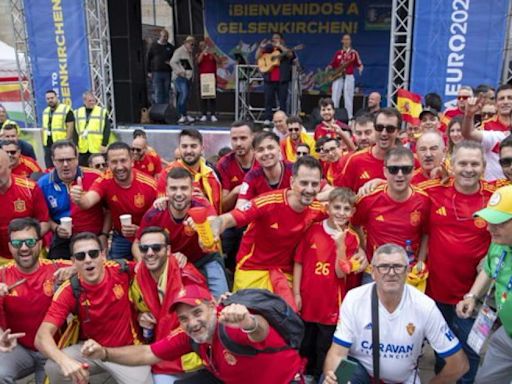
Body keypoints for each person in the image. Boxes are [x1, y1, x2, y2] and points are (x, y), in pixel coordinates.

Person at [80, 284, 305, 384]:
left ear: (212, 305)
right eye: (184, 318)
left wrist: (247, 321)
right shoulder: (190, 333)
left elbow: (260, 331)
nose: (192, 322)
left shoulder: (229, 323)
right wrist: (105, 353)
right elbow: (148, 353)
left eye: (197, 312)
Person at [323, 243, 469, 384]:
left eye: (398, 267)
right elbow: (337, 353)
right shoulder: (354, 299)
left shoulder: (425, 306)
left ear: (407, 272)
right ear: (372, 272)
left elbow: (459, 364)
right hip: (361, 374)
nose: (391, 273)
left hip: (402, 380)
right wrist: (336, 380)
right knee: (332, 379)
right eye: (383, 267)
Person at [419, 140, 495, 383]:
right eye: (462, 163)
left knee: (471, 351)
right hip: (437, 291)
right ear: (452, 164)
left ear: (483, 167)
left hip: (475, 295)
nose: (468, 169)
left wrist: (474, 295)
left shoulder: (495, 197)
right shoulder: (433, 190)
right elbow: (398, 185)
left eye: (475, 164)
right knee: (443, 349)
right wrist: (373, 182)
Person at [35, 232, 153, 384]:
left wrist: (177, 259)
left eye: (93, 253)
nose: (88, 260)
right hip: (90, 350)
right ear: (73, 261)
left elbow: (150, 268)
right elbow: (41, 336)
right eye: (80, 256)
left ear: (103, 255)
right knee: (54, 367)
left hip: (127, 351)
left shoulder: (121, 269)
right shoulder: (69, 289)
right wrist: (64, 361)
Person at [209, 156, 326, 306]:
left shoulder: (317, 209)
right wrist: (216, 225)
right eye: (304, 183)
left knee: (287, 324)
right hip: (252, 270)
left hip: (285, 276)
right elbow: (232, 217)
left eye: (314, 184)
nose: (309, 189)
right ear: (292, 182)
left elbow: (343, 210)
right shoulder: (267, 202)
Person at [293, 187, 364, 381]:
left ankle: (321, 377)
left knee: (324, 346)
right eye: (337, 207)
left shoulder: (352, 239)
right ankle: (303, 375)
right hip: (308, 300)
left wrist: (340, 245)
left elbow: (341, 272)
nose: (341, 213)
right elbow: (298, 262)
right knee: (305, 343)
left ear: (352, 212)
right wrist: (296, 293)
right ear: (328, 208)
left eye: (346, 209)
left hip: (331, 305)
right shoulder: (313, 230)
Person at [135, 168, 229, 297]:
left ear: (192, 191)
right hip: (169, 262)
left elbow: (214, 229)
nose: (179, 193)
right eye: (173, 189)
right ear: (166, 191)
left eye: (184, 188)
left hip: (205, 259)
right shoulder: (154, 214)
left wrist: (202, 228)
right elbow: (137, 243)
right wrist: (144, 264)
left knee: (221, 298)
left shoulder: (202, 206)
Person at [0, 218, 72, 384]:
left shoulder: (56, 268)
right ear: (10, 247)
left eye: (30, 242)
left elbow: (97, 265)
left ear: (40, 244)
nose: (24, 248)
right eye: (17, 243)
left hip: (53, 349)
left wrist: (75, 268)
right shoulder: (2, 275)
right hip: (17, 348)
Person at [130, 226, 205, 383]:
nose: (150, 253)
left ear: (168, 249)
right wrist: (141, 317)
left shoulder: (187, 275)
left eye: (156, 248)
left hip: (194, 356)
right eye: (144, 248)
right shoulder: (138, 276)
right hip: (161, 357)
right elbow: (137, 308)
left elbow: (204, 319)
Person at [456, 185, 512, 383]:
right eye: (489, 221)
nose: (489, 228)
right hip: (506, 334)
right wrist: (472, 296)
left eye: (498, 223)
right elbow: (489, 269)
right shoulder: (499, 244)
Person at [352, 147, 429, 283]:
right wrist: (362, 250)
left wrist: (421, 261)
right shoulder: (368, 198)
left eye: (405, 169)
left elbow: (426, 233)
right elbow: (354, 225)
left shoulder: (424, 200)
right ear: (385, 171)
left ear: (413, 171)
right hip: (375, 271)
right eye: (393, 169)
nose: (399, 174)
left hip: (408, 273)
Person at [70, 141, 157, 260]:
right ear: (108, 164)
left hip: (147, 236)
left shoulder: (150, 185)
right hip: (120, 237)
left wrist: (141, 230)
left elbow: (161, 219)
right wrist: (79, 198)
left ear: (132, 161)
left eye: (123, 160)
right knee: (115, 270)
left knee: (145, 270)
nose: (119, 167)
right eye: (114, 162)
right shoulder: (105, 179)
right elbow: (87, 201)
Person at [38, 140, 108, 259]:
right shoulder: (42, 184)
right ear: (53, 161)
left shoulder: (96, 177)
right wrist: (56, 228)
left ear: (77, 159)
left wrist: (104, 235)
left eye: (69, 159)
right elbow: (43, 217)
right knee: (55, 270)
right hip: (63, 236)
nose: (65, 164)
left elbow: (108, 210)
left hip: (93, 235)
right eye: (60, 160)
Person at [336, 108, 402, 193]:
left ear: (398, 132)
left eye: (390, 129)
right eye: (379, 127)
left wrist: (383, 185)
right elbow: (340, 195)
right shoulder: (355, 160)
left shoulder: (411, 161)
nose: (384, 133)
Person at [156, 129, 222, 214]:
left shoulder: (211, 175)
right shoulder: (167, 174)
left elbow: (217, 213)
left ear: (202, 149)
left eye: (193, 146)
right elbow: (161, 210)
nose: (188, 151)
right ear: (179, 148)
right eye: (184, 146)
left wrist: (204, 202)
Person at [0, 149, 49, 263]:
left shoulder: (29, 188)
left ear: (10, 167)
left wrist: (26, 241)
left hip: (31, 254)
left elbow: (45, 222)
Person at [461, 91, 510, 181]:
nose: (506, 102)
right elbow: (469, 134)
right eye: (502, 98)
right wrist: (469, 115)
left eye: (509, 98)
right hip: (495, 190)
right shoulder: (499, 137)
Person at [237, 131, 293, 207]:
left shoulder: (295, 171)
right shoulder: (251, 176)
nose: (266, 153)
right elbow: (240, 208)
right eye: (260, 150)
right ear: (254, 154)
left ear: (279, 149)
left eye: (270, 148)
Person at [217, 121, 257, 212]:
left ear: (252, 138)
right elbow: (221, 207)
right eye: (234, 139)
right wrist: (236, 191)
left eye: (243, 138)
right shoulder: (224, 164)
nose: (238, 143)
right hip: (234, 219)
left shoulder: (262, 160)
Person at [256, 33, 296, 122]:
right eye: (273, 38)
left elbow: (290, 55)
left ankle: (283, 119)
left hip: (282, 80)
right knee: (268, 100)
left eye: (277, 38)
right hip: (269, 79)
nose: (274, 40)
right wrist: (261, 47)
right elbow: (257, 57)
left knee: (282, 101)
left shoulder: (285, 49)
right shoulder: (268, 49)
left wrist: (280, 46)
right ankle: (268, 118)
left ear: (282, 40)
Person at [326, 34, 363, 119]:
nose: (346, 41)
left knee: (348, 96)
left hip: (348, 76)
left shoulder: (353, 53)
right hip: (338, 76)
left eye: (348, 39)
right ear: (342, 41)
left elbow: (359, 64)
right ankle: (333, 116)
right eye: (345, 39)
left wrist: (360, 68)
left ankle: (349, 117)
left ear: (350, 41)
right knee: (335, 95)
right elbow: (333, 64)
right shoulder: (338, 53)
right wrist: (329, 67)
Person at [74, 91, 110, 166]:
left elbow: (106, 129)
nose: (92, 102)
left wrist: (104, 144)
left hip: (97, 147)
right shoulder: (77, 113)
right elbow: (75, 131)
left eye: (94, 100)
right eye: (90, 101)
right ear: (84, 101)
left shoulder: (102, 112)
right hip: (83, 148)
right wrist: (75, 145)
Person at [41, 90, 75, 168]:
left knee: (61, 166)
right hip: (48, 144)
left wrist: (67, 142)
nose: (50, 100)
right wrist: (43, 142)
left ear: (57, 97)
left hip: (61, 144)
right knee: (49, 167)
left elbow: (70, 127)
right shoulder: (45, 111)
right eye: (48, 99)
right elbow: (44, 128)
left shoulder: (66, 110)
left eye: (52, 98)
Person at [170, 36, 195, 124]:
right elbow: (172, 62)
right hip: (180, 77)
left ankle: (184, 114)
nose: (192, 45)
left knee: (186, 96)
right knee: (183, 95)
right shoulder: (179, 51)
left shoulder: (189, 52)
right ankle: (180, 114)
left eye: (193, 44)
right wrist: (179, 71)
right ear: (186, 43)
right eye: (190, 43)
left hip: (187, 77)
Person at [147, 29, 175, 105]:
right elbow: (148, 58)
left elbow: (174, 60)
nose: (165, 38)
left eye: (166, 37)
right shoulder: (153, 46)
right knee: (158, 91)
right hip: (156, 72)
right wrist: (148, 71)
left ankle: (166, 110)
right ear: (160, 36)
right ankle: (159, 110)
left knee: (166, 91)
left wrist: (171, 63)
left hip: (167, 72)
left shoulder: (171, 47)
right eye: (163, 36)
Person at [197, 40, 219, 122]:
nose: (203, 46)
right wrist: (203, 53)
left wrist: (212, 54)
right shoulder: (199, 54)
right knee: (204, 97)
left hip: (212, 77)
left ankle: (213, 114)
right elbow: (198, 62)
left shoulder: (212, 53)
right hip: (203, 77)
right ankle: (204, 114)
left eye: (204, 45)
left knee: (212, 96)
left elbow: (219, 61)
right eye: (201, 45)